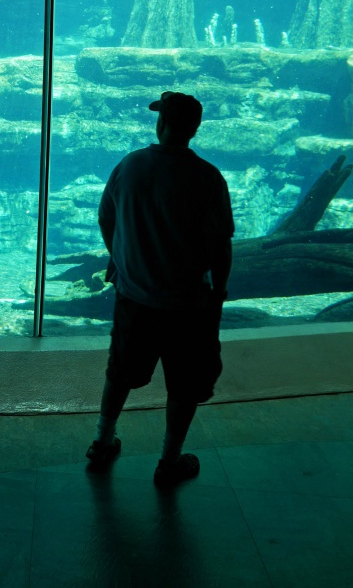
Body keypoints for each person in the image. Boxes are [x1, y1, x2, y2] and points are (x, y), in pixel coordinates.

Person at [87, 92, 233, 488]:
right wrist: (218, 293)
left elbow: (106, 218)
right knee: (184, 385)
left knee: (120, 371)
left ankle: (102, 442)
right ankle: (169, 461)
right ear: (195, 128)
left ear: (160, 123)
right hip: (188, 304)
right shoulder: (208, 177)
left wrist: (121, 259)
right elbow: (220, 245)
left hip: (135, 297)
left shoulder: (130, 165)